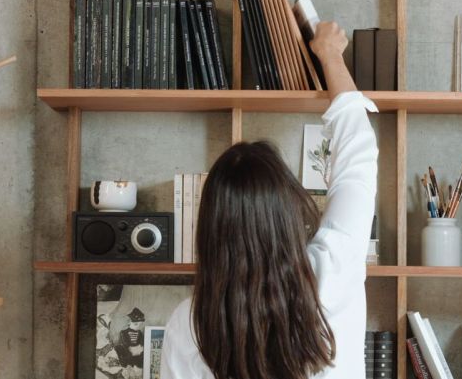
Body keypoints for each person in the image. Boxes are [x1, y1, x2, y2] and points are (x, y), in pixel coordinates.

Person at [161, 21, 378, 379]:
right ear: (287, 212)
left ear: (211, 230)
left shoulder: (189, 323)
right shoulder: (333, 269)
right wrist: (330, 57)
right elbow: (358, 160)